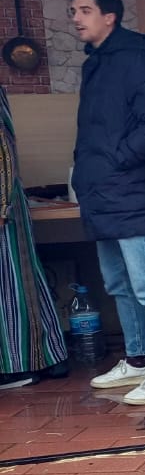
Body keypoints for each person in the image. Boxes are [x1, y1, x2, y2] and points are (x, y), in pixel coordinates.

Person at [69, 0, 145, 407]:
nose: (76, 18)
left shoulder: (132, 60)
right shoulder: (97, 63)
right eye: (73, 11)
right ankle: (138, 361)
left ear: (109, 16)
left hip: (130, 192)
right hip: (104, 195)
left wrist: (115, 162)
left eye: (84, 10)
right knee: (119, 285)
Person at [0, 84, 68, 388]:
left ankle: (23, 365)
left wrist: (3, 206)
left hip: (4, 208)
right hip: (7, 204)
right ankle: (46, 360)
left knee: (14, 285)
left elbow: (3, 154)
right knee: (18, 284)